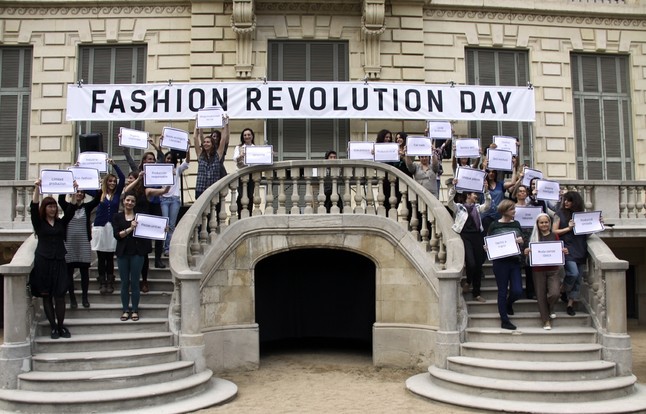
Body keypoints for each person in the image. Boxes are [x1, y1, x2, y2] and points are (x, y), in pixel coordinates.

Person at [30, 179, 74, 339]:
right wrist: (37, 188)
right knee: (46, 295)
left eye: (54, 206)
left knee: (60, 295)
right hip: (43, 261)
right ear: (45, 208)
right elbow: (33, 207)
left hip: (59, 261)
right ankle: (53, 327)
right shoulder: (39, 223)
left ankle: (61, 326)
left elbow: (71, 211)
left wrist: (74, 192)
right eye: (50, 206)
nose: (53, 209)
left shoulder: (61, 223)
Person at [447, 180, 491, 303]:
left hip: (477, 236)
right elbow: (449, 202)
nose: (476, 196)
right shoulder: (459, 207)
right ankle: (468, 281)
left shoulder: (477, 208)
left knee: (478, 265)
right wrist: (453, 188)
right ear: (468, 195)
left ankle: (476, 293)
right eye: (474, 194)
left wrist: (486, 191)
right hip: (465, 236)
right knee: (471, 263)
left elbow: (487, 205)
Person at [113, 192, 152, 322]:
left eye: (132, 201)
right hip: (123, 253)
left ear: (135, 204)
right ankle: (125, 310)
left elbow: (151, 230)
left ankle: (135, 310)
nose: (130, 203)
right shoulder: (117, 217)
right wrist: (130, 229)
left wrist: (161, 229)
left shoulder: (140, 217)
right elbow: (117, 235)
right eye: (128, 200)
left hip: (137, 253)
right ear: (124, 201)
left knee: (135, 282)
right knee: (124, 283)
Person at [524, 213, 568, 330]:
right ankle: (546, 320)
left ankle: (550, 307)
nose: (544, 224)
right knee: (540, 295)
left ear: (550, 223)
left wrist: (563, 251)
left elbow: (558, 250)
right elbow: (529, 252)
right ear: (537, 224)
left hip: (553, 269)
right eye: (541, 222)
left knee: (555, 293)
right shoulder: (534, 237)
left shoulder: (554, 235)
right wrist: (527, 252)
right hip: (538, 270)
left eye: (546, 222)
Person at [486, 199, 524, 330]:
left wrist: (521, 241)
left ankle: (509, 303)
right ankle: (504, 320)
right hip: (500, 263)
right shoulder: (494, 225)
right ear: (504, 210)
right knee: (502, 291)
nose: (514, 211)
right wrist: (487, 247)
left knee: (518, 290)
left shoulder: (517, 224)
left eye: (514, 208)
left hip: (514, 261)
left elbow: (521, 240)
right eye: (511, 209)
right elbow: (489, 241)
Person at [58, 189, 99, 308]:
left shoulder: (87, 207)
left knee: (84, 272)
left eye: (81, 192)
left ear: (84, 195)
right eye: (77, 191)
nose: (79, 194)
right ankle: (72, 298)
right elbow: (60, 199)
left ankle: (85, 297)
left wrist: (95, 185)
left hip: (83, 243)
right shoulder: (67, 206)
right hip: (69, 243)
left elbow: (97, 199)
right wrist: (67, 186)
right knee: (69, 272)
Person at [89, 160, 125, 295]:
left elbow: (122, 178)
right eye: (110, 181)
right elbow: (85, 187)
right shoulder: (99, 194)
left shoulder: (117, 194)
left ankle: (110, 280)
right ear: (106, 182)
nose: (112, 183)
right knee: (101, 256)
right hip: (100, 227)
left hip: (111, 228)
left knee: (109, 256)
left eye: (114, 181)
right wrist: (78, 171)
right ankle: (102, 281)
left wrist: (115, 165)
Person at [552, 191, 588, 316]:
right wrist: (568, 228)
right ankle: (562, 290)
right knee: (573, 273)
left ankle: (570, 304)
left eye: (569, 200)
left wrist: (597, 223)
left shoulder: (582, 215)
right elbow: (554, 231)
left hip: (580, 247)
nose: (566, 202)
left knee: (578, 279)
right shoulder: (559, 214)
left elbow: (588, 231)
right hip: (567, 247)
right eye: (565, 200)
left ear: (575, 202)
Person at [160, 149, 190, 256]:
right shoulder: (160, 170)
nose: (169, 160)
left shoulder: (177, 169)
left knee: (172, 225)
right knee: (165, 223)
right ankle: (164, 246)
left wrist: (188, 149)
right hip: (164, 199)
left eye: (171, 159)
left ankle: (168, 248)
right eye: (167, 158)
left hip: (175, 200)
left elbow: (187, 161)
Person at [194, 117, 230, 199]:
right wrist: (197, 121)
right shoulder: (200, 155)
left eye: (208, 142)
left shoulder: (217, 155)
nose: (205, 144)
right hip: (200, 189)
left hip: (214, 190)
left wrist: (224, 122)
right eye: (204, 142)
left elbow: (223, 138)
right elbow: (195, 137)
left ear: (212, 144)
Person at [233, 127, 255, 217]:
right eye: (245, 135)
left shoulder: (256, 148)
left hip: (252, 175)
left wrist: (269, 154)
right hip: (242, 175)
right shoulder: (239, 147)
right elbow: (234, 159)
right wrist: (240, 156)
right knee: (241, 195)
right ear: (242, 137)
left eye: (249, 135)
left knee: (250, 195)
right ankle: (240, 214)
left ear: (252, 136)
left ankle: (249, 214)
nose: (247, 136)